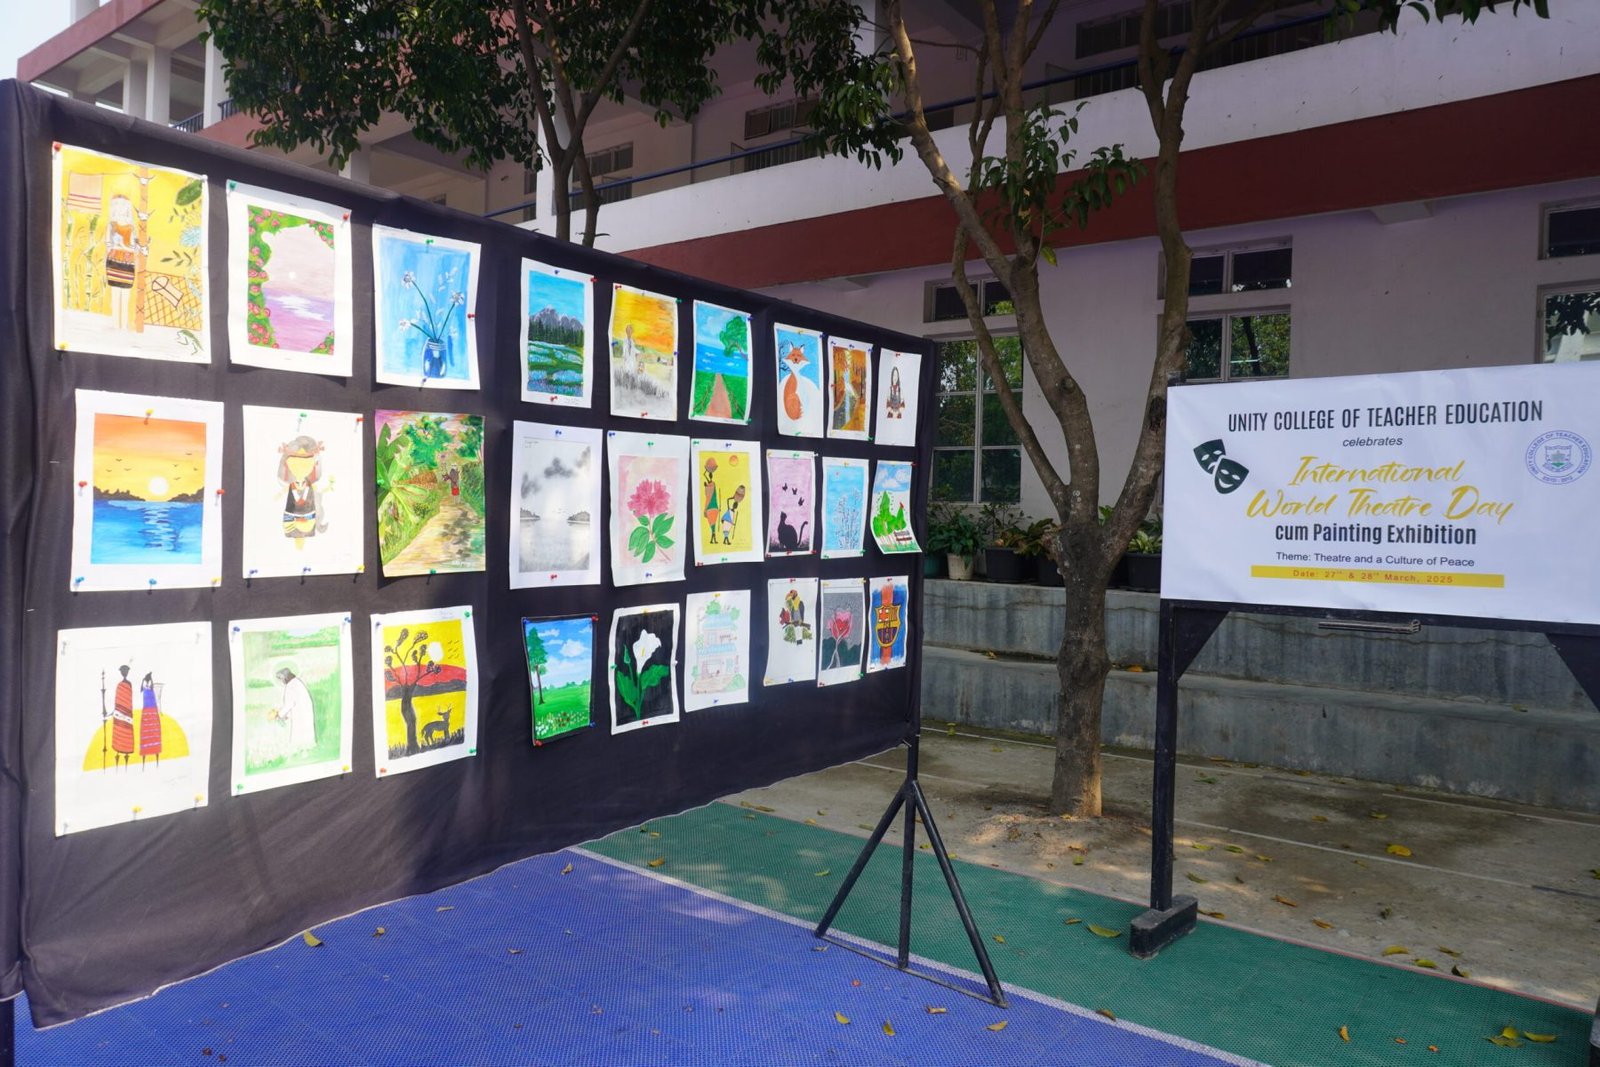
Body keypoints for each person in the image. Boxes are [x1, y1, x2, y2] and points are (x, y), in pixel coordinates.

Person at [278, 435, 326, 544]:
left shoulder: (309, 486)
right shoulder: (293, 485)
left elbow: (306, 501)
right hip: (291, 518)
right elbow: (293, 501)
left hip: (308, 518)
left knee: (307, 528)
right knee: (291, 529)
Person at [104, 194, 141, 330]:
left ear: (127, 207)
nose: (119, 208)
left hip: (127, 262)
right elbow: (108, 245)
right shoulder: (111, 225)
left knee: (125, 296)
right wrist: (120, 246)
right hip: (114, 262)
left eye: (122, 205)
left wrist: (123, 246)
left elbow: (135, 248)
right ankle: (116, 325)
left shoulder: (132, 228)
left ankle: (124, 326)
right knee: (115, 294)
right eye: (116, 204)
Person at [273, 666, 317, 755]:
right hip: (305, 711)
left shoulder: (290, 686)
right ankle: (306, 750)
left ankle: (300, 751)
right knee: (306, 732)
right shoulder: (297, 682)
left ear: (285, 677)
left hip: (300, 713)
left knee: (299, 733)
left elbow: (289, 704)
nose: (282, 681)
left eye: (282, 679)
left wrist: (279, 715)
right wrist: (287, 715)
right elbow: (294, 701)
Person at [111, 664, 134, 770]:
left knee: (126, 733)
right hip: (120, 713)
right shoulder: (120, 685)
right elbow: (117, 700)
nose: (124, 673)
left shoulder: (128, 684)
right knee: (120, 733)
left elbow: (129, 700)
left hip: (127, 713)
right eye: (123, 671)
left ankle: (125, 754)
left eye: (125, 671)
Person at [138, 672, 163, 768]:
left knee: (154, 734)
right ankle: (145, 761)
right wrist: (143, 680)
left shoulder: (151, 689)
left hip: (152, 712)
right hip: (147, 713)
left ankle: (156, 761)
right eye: (147, 681)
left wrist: (149, 678)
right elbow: (141, 689)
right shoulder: (145, 689)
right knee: (146, 735)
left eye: (148, 681)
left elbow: (151, 686)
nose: (147, 682)